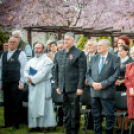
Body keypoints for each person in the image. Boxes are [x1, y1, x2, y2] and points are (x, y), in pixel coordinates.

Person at [53, 32, 87, 134]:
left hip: (74, 87)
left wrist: (80, 87)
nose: (66, 41)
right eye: (65, 39)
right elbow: (55, 70)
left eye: (68, 39)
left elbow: (82, 71)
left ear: (73, 41)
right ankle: (67, 128)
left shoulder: (79, 53)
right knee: (66, 109)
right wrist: (57, 85)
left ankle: (74, 129)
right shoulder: (59, 54)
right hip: (62, 87)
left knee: (74, 110)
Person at [86, 39, 120, 134]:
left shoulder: (115, 58)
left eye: (100, 45)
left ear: (107, 46)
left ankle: (109, 132)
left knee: (109, 115)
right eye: (98, 45)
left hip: (107, 92)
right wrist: (92, 83)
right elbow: (88, 74)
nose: (98, 47)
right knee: (96, 115)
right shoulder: (93, 58)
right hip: (94, 91)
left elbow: (115, 75)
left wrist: (102, 85)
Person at [24, 43, 56, 133]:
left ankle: (46, 126)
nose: (37, 50)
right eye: (35, 48)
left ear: (43, 50)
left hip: (43, 86)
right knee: (33, 105)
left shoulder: (47, 61)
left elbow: (43, 73)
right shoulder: (30, 61)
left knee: (44, 105)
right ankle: (35, 126)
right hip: (33, 87)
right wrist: (28, 78)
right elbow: (25, 71)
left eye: (39, 48)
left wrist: (32, 79)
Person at [0, 37, 27, 129]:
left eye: (13, 42)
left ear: (17, 44)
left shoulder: (21, 54)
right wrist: (0, 82)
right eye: (10, 42)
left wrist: (22, 82)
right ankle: (8, 122)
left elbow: (24, 68)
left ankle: (16, 123)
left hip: (16, 82)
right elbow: (0, 69)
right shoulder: (3, 55)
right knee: (7, 103)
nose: (11, 43)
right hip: (5, 82)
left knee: (16, 103)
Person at [115, 45, 133, 134]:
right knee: (118, 107)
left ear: (126, 51)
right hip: (116, 87)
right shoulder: (116, 60)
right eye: (119, 50)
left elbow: (129, 77)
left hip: (126, 87)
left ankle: (126, 128)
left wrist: (122, 81)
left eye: (121, 50)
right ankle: (119, 127)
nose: (119, 52)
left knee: (125, 107)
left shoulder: (130, 61)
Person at [83, 39, 98, 130]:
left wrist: (90, 80)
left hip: (94, 84)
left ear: (95, 47)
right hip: (85, 85)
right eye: (88, 45)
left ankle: (94, 124)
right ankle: (87, 124)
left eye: (91, 45)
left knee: (94, 105)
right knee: (87, 104)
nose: (89, 47)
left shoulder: (99, 56)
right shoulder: (85, 57)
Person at [124, 46, 134, 133]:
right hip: (130, 94)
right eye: (132, 54)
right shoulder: (129, 66)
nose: (133, 55)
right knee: (132, 115)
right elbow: (126, 79)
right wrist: (130, 88)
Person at [0, 42, 8, 107]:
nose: (6, 47)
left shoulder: (10, 54)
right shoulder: (1, 53)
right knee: (1, 88)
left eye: (7, 45)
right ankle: (2, 101)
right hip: (1, 71)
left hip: (8, 73)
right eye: (5, 45)